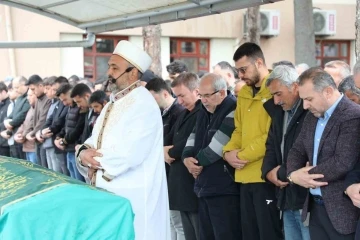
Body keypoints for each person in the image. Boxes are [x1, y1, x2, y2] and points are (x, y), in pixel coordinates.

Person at [76, 40, 170, 240]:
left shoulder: (143, 104)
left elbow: (130, 154)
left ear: (133, 72)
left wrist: (93, 161)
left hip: (133, 193)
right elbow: (95, 139)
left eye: (114, 67)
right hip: (109, 191)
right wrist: (84, 153)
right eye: (109, 66)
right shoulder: (113, 102)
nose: (109, 72)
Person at [287, 67, 360, 239]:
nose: (305, 106)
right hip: (315, 209)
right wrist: (292, 174)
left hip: (342, 213)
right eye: (303, 100)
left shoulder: (352, 115)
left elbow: (342, 162)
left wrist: (304, 176)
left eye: (309, 99)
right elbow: (297, 150)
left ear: (327, 92)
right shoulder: (312, 115)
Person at [223, 42, 283, 240]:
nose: (240, 75)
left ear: (258, 63)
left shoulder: (276, 89)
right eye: (238, 70)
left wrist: (241, 155)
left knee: (268, 232)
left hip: (264, 175)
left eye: (243, 69)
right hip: (243, 175)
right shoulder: (245, 93)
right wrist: (228, 152)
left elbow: (272, 134)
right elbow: (239, 129)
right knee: (249, 233)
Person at [182, 73, 241, 240]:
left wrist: (196, 164)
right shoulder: (204, 109)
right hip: (204, 185)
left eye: (207, 95)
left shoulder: (233, 108)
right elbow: (192, 136)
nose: (204, 100)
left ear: (222, 93)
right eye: (201, 95)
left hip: (224, 187)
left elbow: (219, 145)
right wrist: (187, 158)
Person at [261, 65, 310, 240]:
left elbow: (307, 153)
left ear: (295, 87)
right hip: (286, 196)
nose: (275, 101)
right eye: (273, 95)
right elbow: (271, 146)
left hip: (304, 198)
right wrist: (268, 172)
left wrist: (280, 173)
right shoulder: (279, 113)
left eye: (278, 94)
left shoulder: (310, 112)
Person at [146, 77, 185, 240]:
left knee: (179, 223)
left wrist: (163, 150)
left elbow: (173, 144)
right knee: (169, 220)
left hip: (176, 173)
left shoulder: (179, 112)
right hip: (164, 172)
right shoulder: (161, 113)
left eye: (152, 97)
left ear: (164, 93)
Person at [55, 83, 86, 181]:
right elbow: (66, 125)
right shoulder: (70, 107)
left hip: (75, 149)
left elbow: (78, 130)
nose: (64, 103)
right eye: (62, 101)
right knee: (73, 179)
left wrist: (64, 141)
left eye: (65, 99)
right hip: (68, 149)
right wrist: (59, 137)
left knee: (79, 182)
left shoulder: (81, 108)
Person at [41, 76, 69, 175]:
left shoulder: (66, 103)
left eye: (56, 90)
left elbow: (61, 121)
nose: (55, 93)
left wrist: (51, 131)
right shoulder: (59, 103)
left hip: (63, 143)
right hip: (54, 140)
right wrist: (43, 130)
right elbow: (50, 119)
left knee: (64, 174)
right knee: (55, 173)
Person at [26, 75, 52, 167]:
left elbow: (43, 120)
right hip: (37, 139)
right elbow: (33, 118)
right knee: (40, 167)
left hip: (43, 138)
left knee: (46, 168)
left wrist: (32, 133)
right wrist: (28, 132)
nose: (32, 92)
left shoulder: (48, 100)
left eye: (33, 89)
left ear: (40, 86)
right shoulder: (38, 99)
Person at [4, 76, 30, 160]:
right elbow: (12, 115)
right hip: (14, 134)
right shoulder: (19, 99)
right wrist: (6, 121)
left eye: (17, 87)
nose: (15, 90)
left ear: (24, 85)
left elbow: (22, 115)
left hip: (22, 135)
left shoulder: (28, 98)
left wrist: (11, 124)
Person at [14, 89, 37, 163]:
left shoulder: (37, 109)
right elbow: (24, 124)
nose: (27, 98)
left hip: (33, 147)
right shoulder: (31, 108)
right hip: (27, 146)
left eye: (30, 95)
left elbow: (31, 125)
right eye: (27, 95)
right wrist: (18, 134)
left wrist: (22, 136)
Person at [0, 83, 11, 157]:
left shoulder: (9, 104)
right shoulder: (1, 105)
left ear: (3, 92)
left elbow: (7, 121)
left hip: (6, 142)